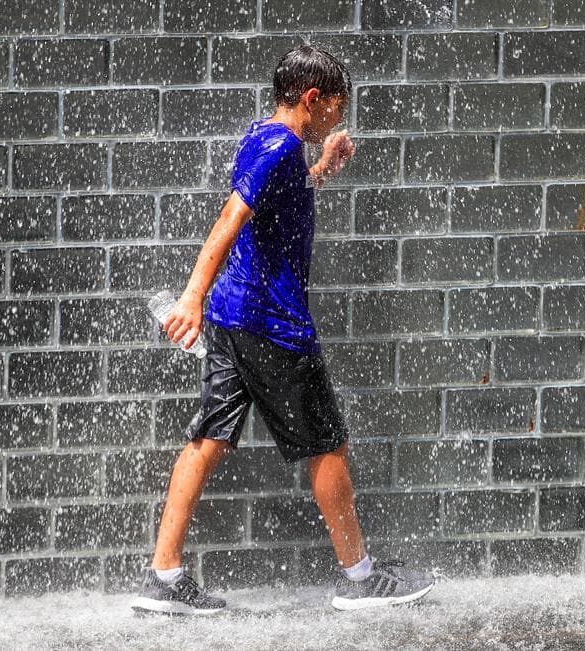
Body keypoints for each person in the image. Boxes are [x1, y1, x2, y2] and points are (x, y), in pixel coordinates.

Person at [131, 45, 435, 615]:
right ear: (313, 99)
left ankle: (164, 578)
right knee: (327, 443)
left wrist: (323, 168)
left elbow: (279, 206)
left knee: (208, 440)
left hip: (232, 316)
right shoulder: (279, 147)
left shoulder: (266, 137)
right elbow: (230, 219)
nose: (338, 120)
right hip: (270, 322)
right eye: (336, 109)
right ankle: (360, 579)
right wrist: (191, 296)